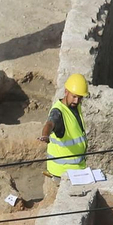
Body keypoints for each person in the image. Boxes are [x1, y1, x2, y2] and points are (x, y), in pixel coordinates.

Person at [40, 73, 89, 201]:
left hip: (75, 170)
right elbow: (50, 123)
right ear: (66, 92)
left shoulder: (75, 107)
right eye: (74, 97)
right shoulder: (58, 112)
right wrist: (45, 135)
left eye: (80, 98)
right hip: (63, 173)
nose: (77, 101)